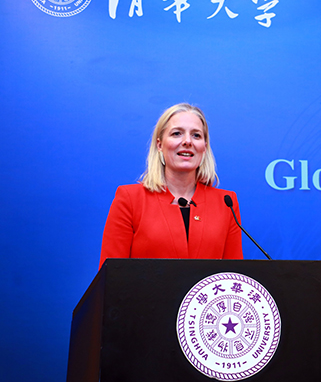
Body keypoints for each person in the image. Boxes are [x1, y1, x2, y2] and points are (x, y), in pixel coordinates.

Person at [99, 103, 243, 268]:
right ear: (160, 145)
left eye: (196, 135)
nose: (187, 141)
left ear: (204, 147)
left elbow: (234, 276)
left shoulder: (226, 203)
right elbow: (111, 275)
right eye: (176, 133)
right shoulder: (130, 199)